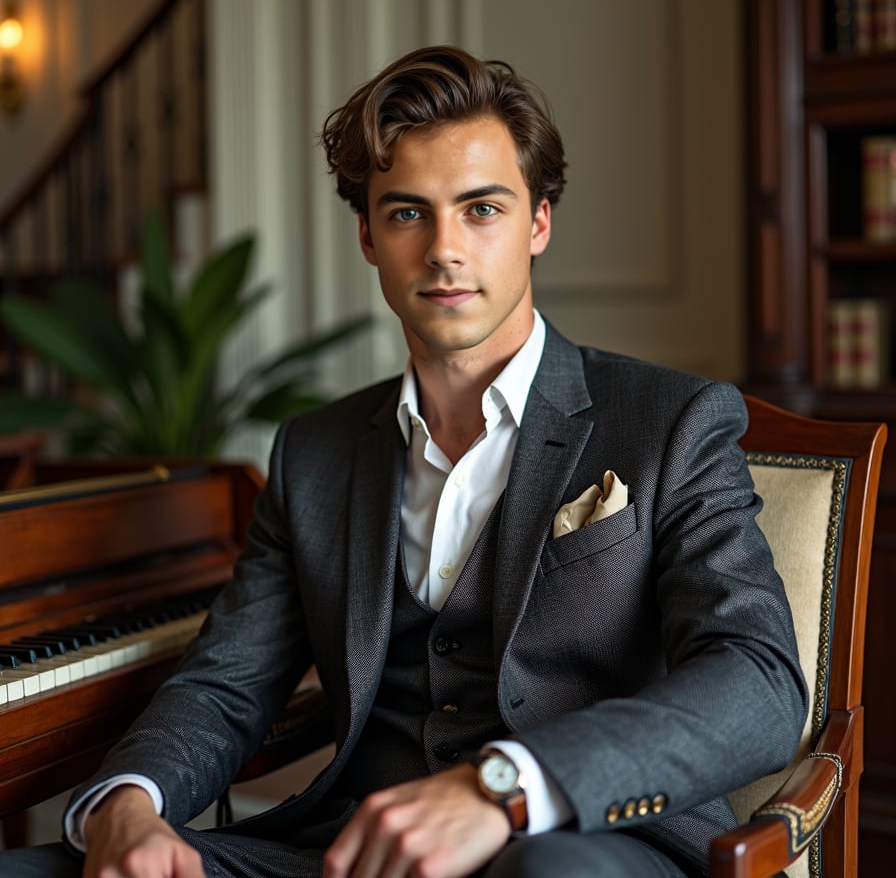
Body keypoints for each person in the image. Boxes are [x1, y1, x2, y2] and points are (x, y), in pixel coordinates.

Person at [2, 44, 807, 878]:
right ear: (367, 236)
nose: (444, 250)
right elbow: (226, 683)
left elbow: (758, 682)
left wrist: (503, 788)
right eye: (408, 213)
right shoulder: (314, 453)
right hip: (349, 857)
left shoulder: (670, 420)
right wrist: (127, 804)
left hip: (584, 845)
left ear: (538, 223)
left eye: (482, 209)